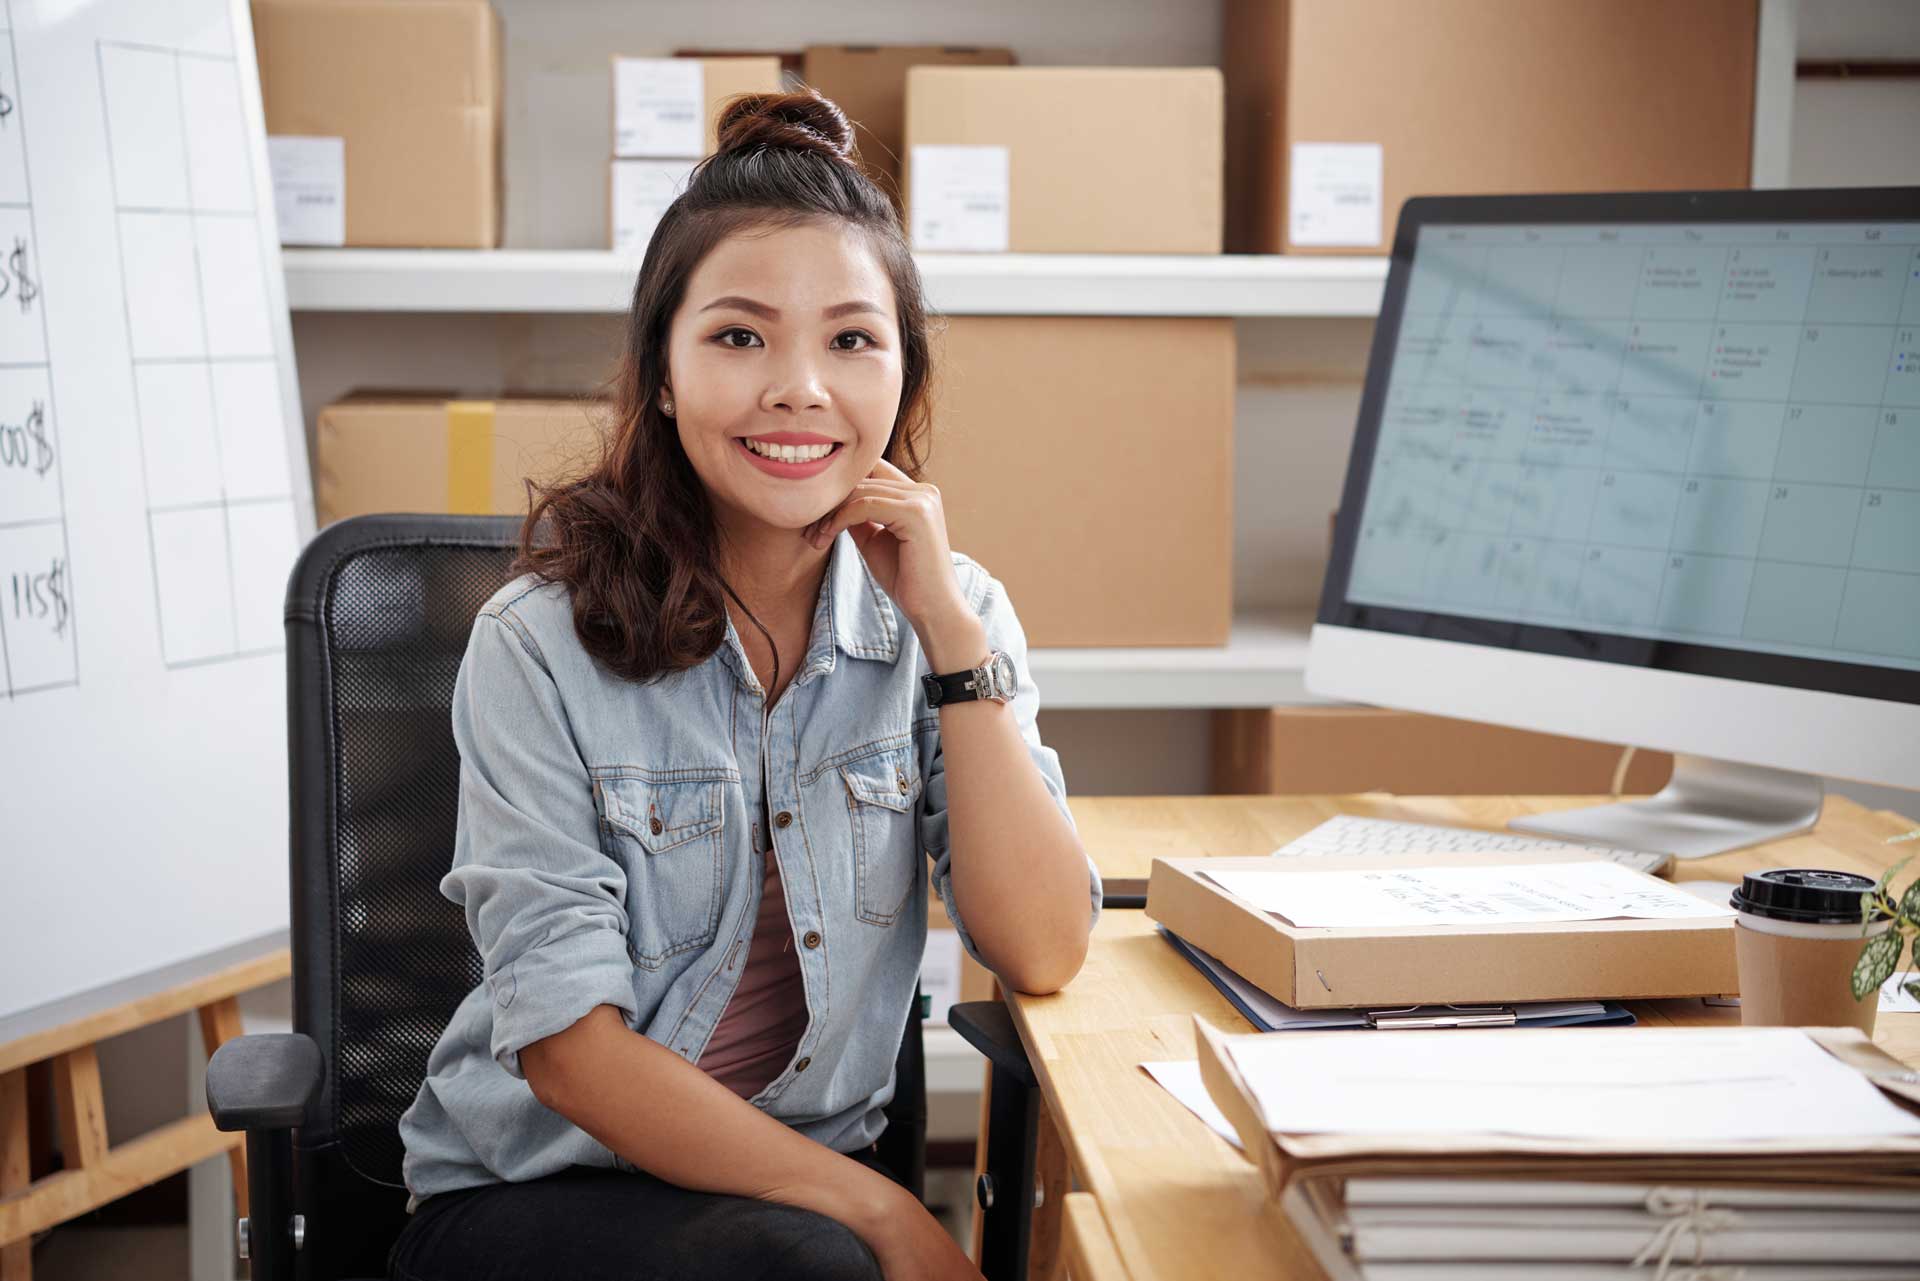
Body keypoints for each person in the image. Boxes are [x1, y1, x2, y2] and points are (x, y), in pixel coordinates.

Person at [387, 88, 1102, 1281]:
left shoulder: (951, 614)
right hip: (541, 1191)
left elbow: (1040, 948)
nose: (798, 387)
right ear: (661, 375)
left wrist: (947, 634)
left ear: (902, 381)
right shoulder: (536, 641)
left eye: (851, 340)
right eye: (738, 336)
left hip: (794, 1203)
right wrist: (884, 1215)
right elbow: (569, 1050)